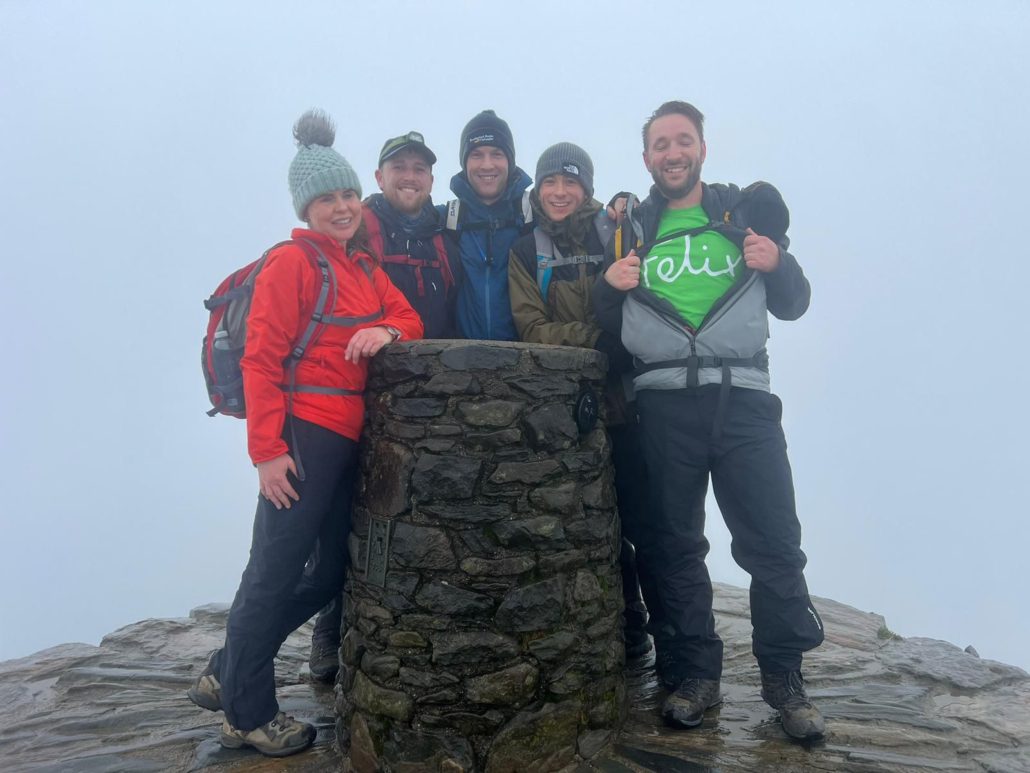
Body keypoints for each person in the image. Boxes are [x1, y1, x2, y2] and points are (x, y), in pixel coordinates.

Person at [187, 109, 423, 758]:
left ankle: (228, 666)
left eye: (348, 194)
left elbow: (409, 317)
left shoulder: (361, 267)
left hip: (344, 440)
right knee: (274, 571)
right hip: (301, 436)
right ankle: (247, 714)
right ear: (306, 207)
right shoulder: (292, 262)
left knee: (327, 574)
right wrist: (267, 451)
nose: (342, 207)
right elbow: (262, 359)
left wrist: (386, 330)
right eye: (327, 199)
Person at [593, 100, 825, 740]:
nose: (673, 153)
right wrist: (609, 286)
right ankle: (693, 676)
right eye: (661, 144)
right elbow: (606, 317)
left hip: (744, 400)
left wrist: (778, 262)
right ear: (647, 158)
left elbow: (795, 303)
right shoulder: (629, 228)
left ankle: (785, 682)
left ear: (701, 148)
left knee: (773, 543)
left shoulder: (740, 215)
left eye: (683, 141)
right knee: (673, 546)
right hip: (663, 405)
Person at [306, 130, 461, 682]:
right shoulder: (359, 227)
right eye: (400, 168)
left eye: (419, 168)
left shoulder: (445, 234)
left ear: (432, 179)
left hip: (428, 401)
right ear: (379, 177)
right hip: (358, 394)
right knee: (341, 511)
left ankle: (406, 625)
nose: (410, 177)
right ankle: (329, 634)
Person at [507, 142, 653, 659]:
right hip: (568, 409)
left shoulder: (614, 231)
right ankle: (625, 625)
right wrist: (596, 341)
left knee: (645, 522)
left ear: (587, 188)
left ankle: (663, 636)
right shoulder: (527, 250)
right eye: (550, 182)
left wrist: (631, 206)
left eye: (571, 182)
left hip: (630, 404)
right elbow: (531, 327)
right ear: (538, 188)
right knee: (584, 521)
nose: (560, 192)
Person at [444, 109, 533, 340]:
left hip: (527, 357)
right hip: (461, 356)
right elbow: (403, 214)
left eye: (496, 154)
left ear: (509, 161)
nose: (487, 165)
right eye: (476, 155)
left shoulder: (533, 213)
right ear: (464, 162)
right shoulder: (447, 218)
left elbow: (579, 214)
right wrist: (373, 204)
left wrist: (618, 203)